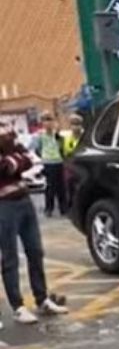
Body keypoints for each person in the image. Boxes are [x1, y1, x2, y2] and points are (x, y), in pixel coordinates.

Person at [0, 121, 68, 328]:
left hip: (24, 198)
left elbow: (29, 158)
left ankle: (42, 298)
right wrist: (16, 161)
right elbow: (5, 167)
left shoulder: (6, 127)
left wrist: (14, 160)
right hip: (4, 204)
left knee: (35, 251)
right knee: (10, 257)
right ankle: (18, 307)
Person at [31, 112, 66, 217]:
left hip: (59, 162)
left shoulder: (58, 135)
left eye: (50, 120)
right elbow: (37, 149)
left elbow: (62, 148)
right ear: (42, 122)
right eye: (45, 120)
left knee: (61, 187)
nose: (48, 123)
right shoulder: (40, 136)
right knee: (50, 187)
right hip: (48, 163)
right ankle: (49, 208)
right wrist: (44, 157)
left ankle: (63, 208)